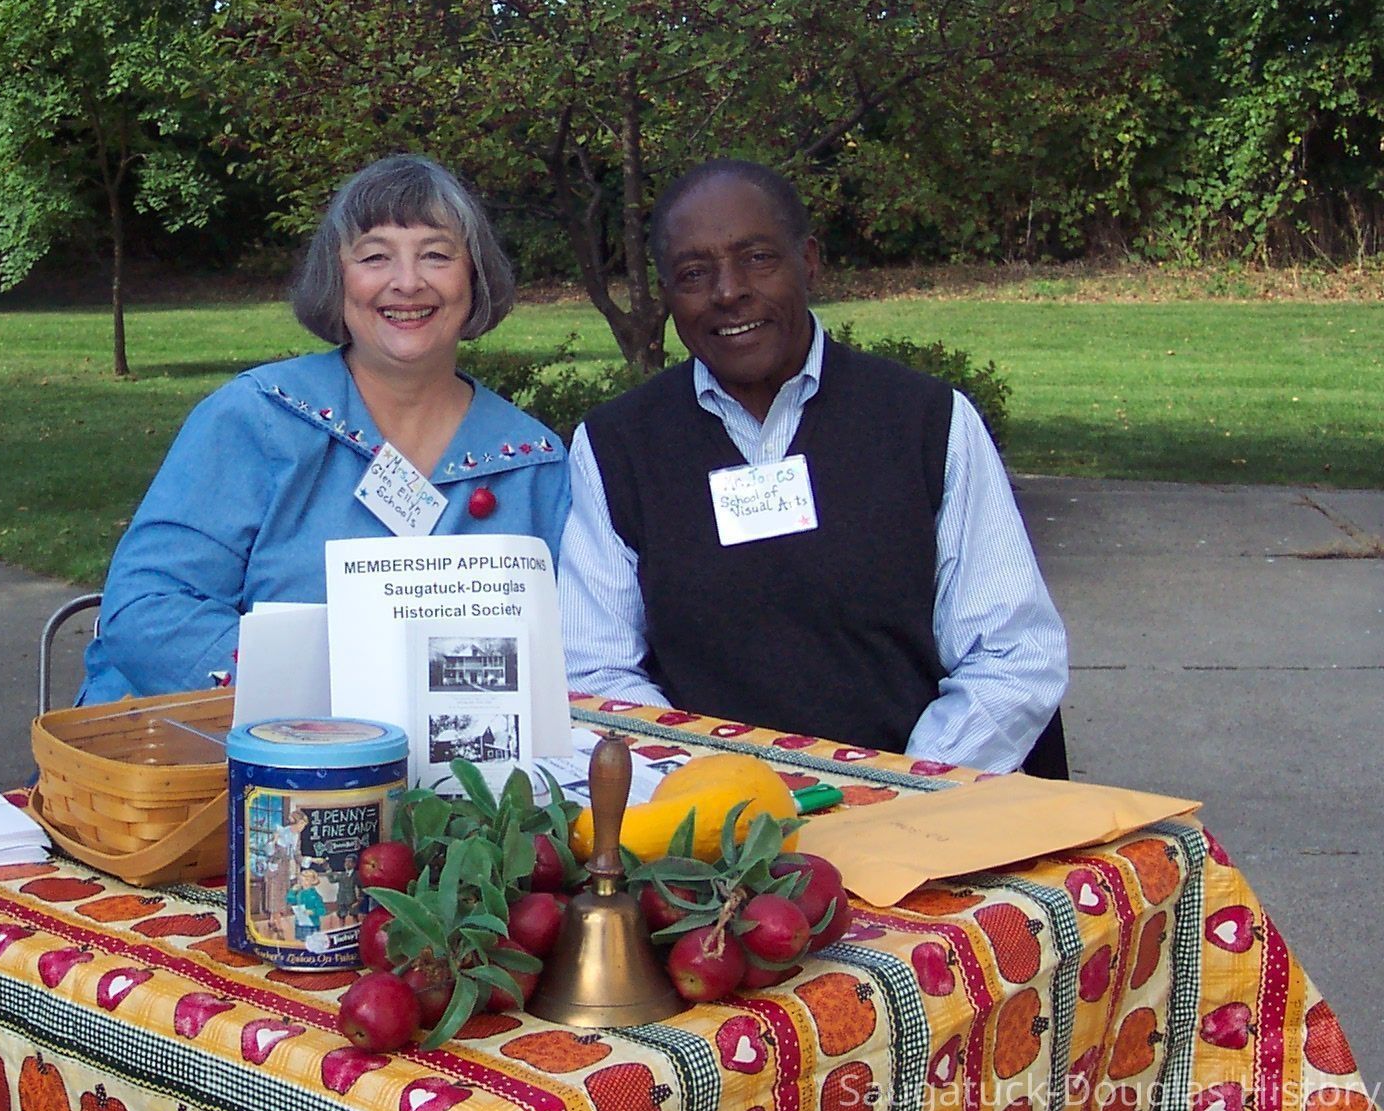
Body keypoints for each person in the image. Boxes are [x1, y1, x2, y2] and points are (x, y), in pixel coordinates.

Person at [560, 159, 1070, 776]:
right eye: (694, 273)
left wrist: (888, 792)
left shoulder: (927, 424)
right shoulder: (617, 447)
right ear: (666, 294)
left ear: (809, 262)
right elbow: (596, 671)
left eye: (757, 259)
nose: (727, 291)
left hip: (913, 807)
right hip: (709, 814)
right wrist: (715, 791)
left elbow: (1013, 655)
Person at [79, 155, 571, 704]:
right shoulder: (256, 419)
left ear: (474, 276)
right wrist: (314, 705)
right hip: (224, 745)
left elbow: (574, 653)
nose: (407, 282)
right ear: (337, 278)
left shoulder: (534, 463)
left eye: (436, 255)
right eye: (375, 256)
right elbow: (147, 608)